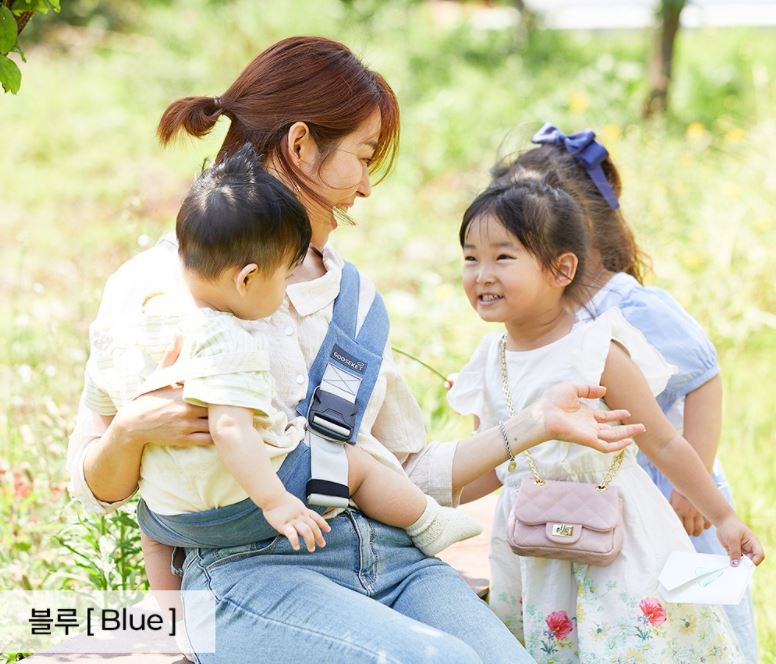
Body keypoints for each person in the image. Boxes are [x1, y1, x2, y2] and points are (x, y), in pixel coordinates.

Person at [67, 37, 643, 664]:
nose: (367, 186)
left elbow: (401, 470)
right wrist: (127, 431)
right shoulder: (157, 291)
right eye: (363, 156)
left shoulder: (355, 300)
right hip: (251, 574)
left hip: (391, 559)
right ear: (299, 145)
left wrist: (536, 423)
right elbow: (95, 485)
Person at [84, 142, 481, 572]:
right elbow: (230, 427)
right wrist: (275, 502)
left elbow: (102, 397)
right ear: (247, 279)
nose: (286, 289)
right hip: (250, 500)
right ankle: (428, 521)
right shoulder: (232, 336)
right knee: (355, 467)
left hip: (171, 514)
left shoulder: (140, 314)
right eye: (284, 276)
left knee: (153, 528)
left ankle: (173, 611)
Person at [447, 176, 764, 662]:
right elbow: (493, 465)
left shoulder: (598, 351)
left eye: (503, 257)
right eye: (471, 258)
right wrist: (421, 499)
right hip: (534, 552)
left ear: (561, 269)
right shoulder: (490, 360)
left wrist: (722, 516)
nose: (482, 275)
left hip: (619, 546)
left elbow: (663, 443)